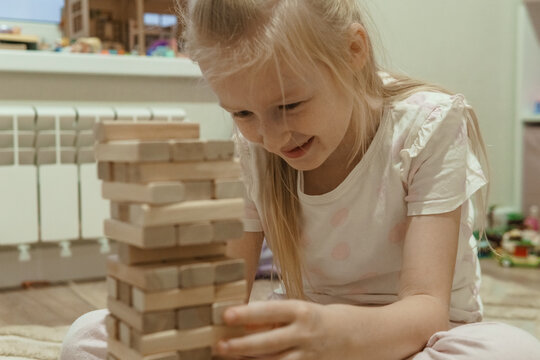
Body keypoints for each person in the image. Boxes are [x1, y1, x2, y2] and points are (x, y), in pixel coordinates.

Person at [61, 1, 540, 359]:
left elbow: (426, 308)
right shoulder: (253, 148)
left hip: (412, 340)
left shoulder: (429, 125)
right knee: (88, 335)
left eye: (289, 106)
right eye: (243, 112)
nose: (270, 136)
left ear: (354, 51)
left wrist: (331, 332)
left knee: (511, 351)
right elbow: (225, 294)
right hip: (304, 339)